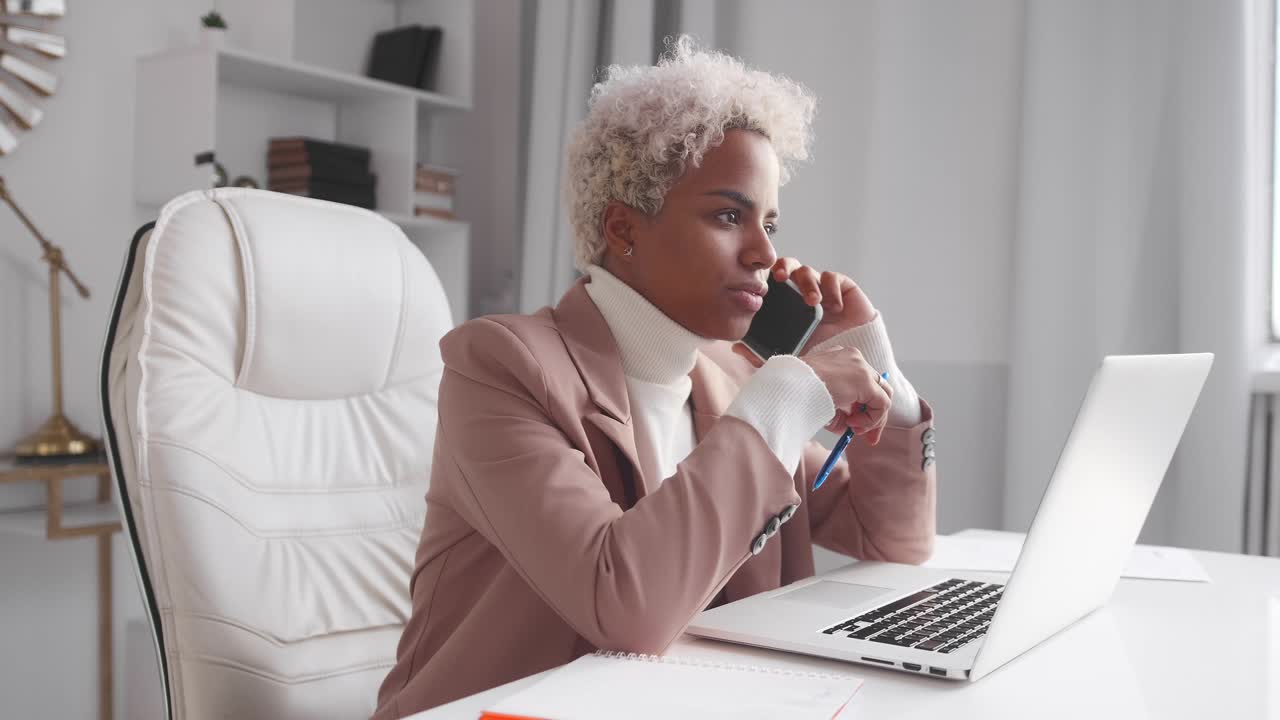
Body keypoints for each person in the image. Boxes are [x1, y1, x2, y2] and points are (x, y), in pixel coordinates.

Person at [371, 36, 936, 719]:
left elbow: (891, 543)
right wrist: (790, 394)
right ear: (623, 229)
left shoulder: (731, 378)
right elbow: (625, 602)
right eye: (730, 216)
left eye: (770, 222)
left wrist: (882, 372)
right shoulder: (501, 368)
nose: (765, 252)